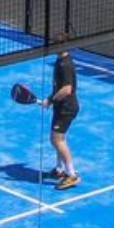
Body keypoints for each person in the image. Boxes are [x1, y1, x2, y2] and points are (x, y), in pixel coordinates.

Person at [41, 49, 81, 190]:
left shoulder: (65, 65)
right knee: (58, 139)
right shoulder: (60, 61)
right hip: (60, 107)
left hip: (66, 108)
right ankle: (59, 169)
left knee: (56, 140)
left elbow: (67, 89)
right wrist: (50, 99)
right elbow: (58, 87)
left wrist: (50, 100)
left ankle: (71, 175)